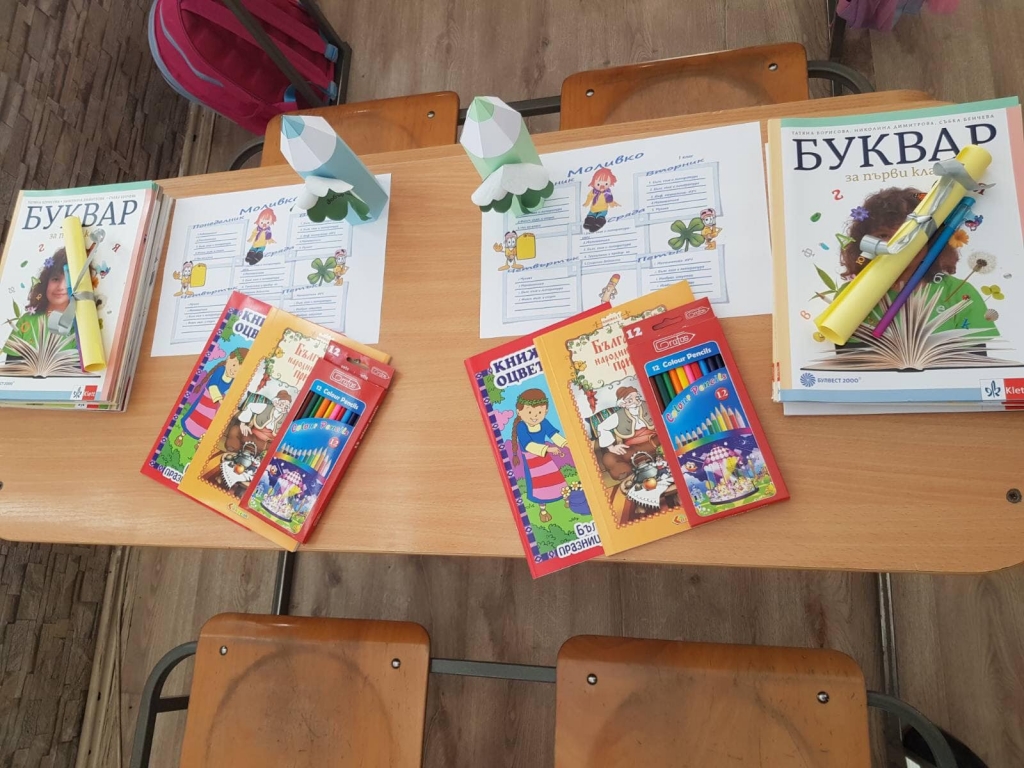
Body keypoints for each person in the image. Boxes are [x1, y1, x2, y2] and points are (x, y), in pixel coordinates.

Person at [840, 187, 996, 333]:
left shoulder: (959, 292)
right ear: (864, 241)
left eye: (910, 235)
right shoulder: (851, 294)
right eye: (883, 235)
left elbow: (980, 348)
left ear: (932, 240)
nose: (897, 245)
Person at [2, 249, 77, 362]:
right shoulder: (27, 320)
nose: (61, 287)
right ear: (46, 282)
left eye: (69, 280)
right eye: (55, 279)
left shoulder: (79, 327)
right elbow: (11, 365)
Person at [509, 388, 569, 523]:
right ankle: (543, 511)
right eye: (530, 412)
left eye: (540, 412)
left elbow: (554, 435)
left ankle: (567, 499)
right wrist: (549, 449)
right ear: (519, 412)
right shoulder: (521, 426)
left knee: (556, 478)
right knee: (539, 485)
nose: (535, 416)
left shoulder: (544, 422)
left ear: (546, 411)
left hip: (545, 458)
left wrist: (566, 444)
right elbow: (528, 445)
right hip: (532, 460)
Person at [180, 348, 248, 441]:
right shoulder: (220, 370)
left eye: (238, 370)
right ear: (228, 359)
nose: (233, 370)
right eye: (233, 365)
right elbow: (212, 385)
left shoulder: (233, 380)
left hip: (215, 404)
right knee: (196, 414)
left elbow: (229, 393)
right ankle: (183, 434)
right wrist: (221, 401)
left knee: (207, 420)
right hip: (207, 397)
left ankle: (200, 436)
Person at [595, 386, 659, 480]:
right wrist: (611, 447)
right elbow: (602, 427)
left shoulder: (647, 405)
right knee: (608, 458)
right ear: (622, 403)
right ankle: (628, 474)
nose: (635, 402)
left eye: (637, 398)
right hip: (633, 449)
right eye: (630, 400)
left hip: (655, 441)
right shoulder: (618, 415)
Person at [582, 168, 620, 233]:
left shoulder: (607, 192)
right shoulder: (593, 191)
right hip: (593, 208)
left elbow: (609, 200)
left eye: (606, 184)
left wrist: (612, 204)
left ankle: (598, 224)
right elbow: (589, 197)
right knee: (591, 215)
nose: (602, 186)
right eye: (598, 184)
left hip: (603, 209)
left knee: (600, 217)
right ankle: (589, 221)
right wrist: (587, 203)